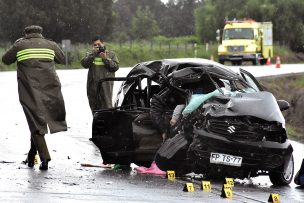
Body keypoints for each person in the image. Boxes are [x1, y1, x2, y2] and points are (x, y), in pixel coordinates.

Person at [2, 25, 67, 170]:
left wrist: (18, 45)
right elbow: (62, 59)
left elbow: (6, 60)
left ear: (26, 34)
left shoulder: (20, 45)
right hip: (50, 89)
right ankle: (31, 155)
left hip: (29, 90)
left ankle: (45, 158)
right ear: (40, 33)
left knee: (35, 122)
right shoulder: (51, 45)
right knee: (36, 121)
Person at [81, 36, 119, 114]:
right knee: (95, 108)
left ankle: (108, 124)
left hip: (106, 86)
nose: (97, 46)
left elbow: (115, 67)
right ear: (92, 46)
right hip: (93, 86)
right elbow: (84, 64)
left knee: (107, 107)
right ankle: (97, 124)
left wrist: (105, 58)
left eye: (99, 44)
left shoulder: (111, 54)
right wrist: (93, 54)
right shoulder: (90, 54)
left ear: (103, 43)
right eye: (95, 45)